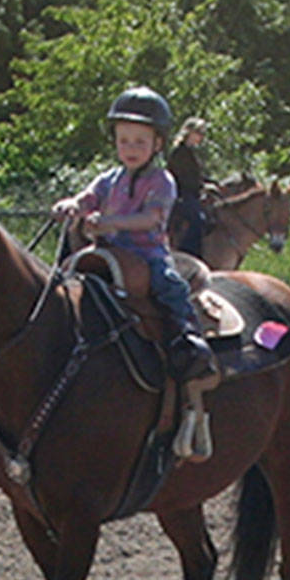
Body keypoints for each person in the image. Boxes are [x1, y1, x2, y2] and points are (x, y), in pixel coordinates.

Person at [52, 86, 217, 383]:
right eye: (124, 140)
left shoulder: (162, 180)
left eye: (140, 141)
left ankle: (189, 339)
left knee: (169, 285)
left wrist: (110, 222)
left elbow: (150, 218)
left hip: (146, 254)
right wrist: (72, 205)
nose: (131, 148)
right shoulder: (109, 179)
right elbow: (88, 197)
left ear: (158, 144)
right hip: (106, 251)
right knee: (64, 276)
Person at [166, 117, 212, 257]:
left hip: (191, 193)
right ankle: (189, 253)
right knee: (198, 219)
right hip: (181, 195)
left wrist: (212, 183)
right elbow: (184, 179)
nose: (201, 137)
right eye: (198, 132)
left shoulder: (190, 152)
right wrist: (202, 187)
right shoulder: (179, 152)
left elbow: (197, 175)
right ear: (189, 132)